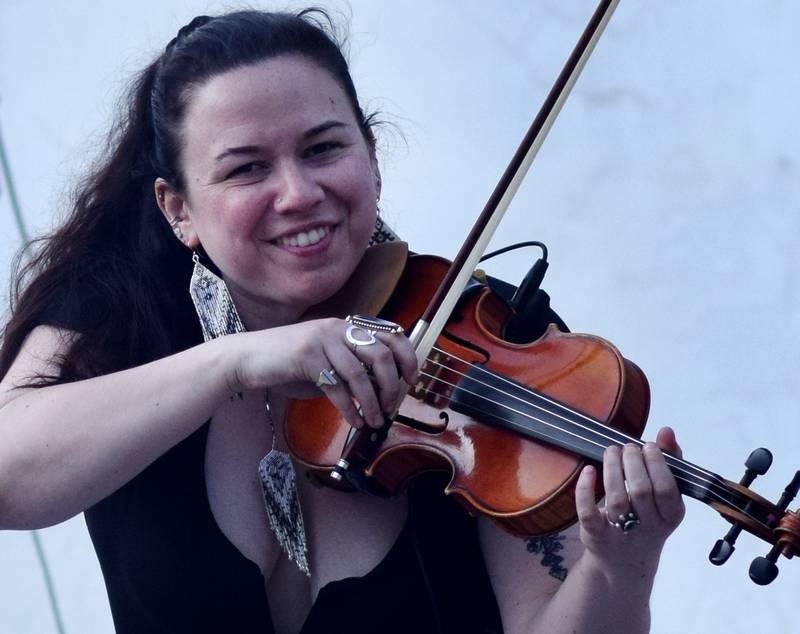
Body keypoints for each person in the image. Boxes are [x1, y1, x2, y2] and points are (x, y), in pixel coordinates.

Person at [0, 10, 685, 633]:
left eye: (323, 149)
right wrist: (236, 361)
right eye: (247, 168)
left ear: (372, 158)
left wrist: (620, 568)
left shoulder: (494, 332)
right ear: (178, 209)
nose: (299, 194)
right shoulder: (120, 312)